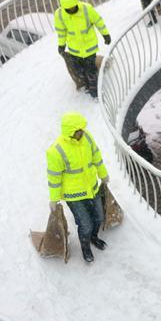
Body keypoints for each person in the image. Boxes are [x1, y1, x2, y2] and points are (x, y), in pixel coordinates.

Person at [47, 112, 109, 263]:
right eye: (78, 130)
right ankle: (85, 246)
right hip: (74, 196)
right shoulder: (56, 151)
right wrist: (54, 199)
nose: (82, 132)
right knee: (85, 224)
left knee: (99, 217)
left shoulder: (87, 138)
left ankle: (94, 237)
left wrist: (103, 174)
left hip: (92, 188)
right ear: (70, 132)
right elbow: (54, 177)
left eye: (82, 129)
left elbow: (96, 157)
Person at [54, 0, 111, 98]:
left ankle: (95, 92)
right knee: (79, 70)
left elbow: (98, 21)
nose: (72, 10)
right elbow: (61, 32)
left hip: (89, 47)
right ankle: (86, 86)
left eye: (73, 7)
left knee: (91, 70)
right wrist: (61, 45)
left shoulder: (86, 9)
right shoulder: (59, 15)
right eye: (69, 9)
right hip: (74, 49)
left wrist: (105, 34)